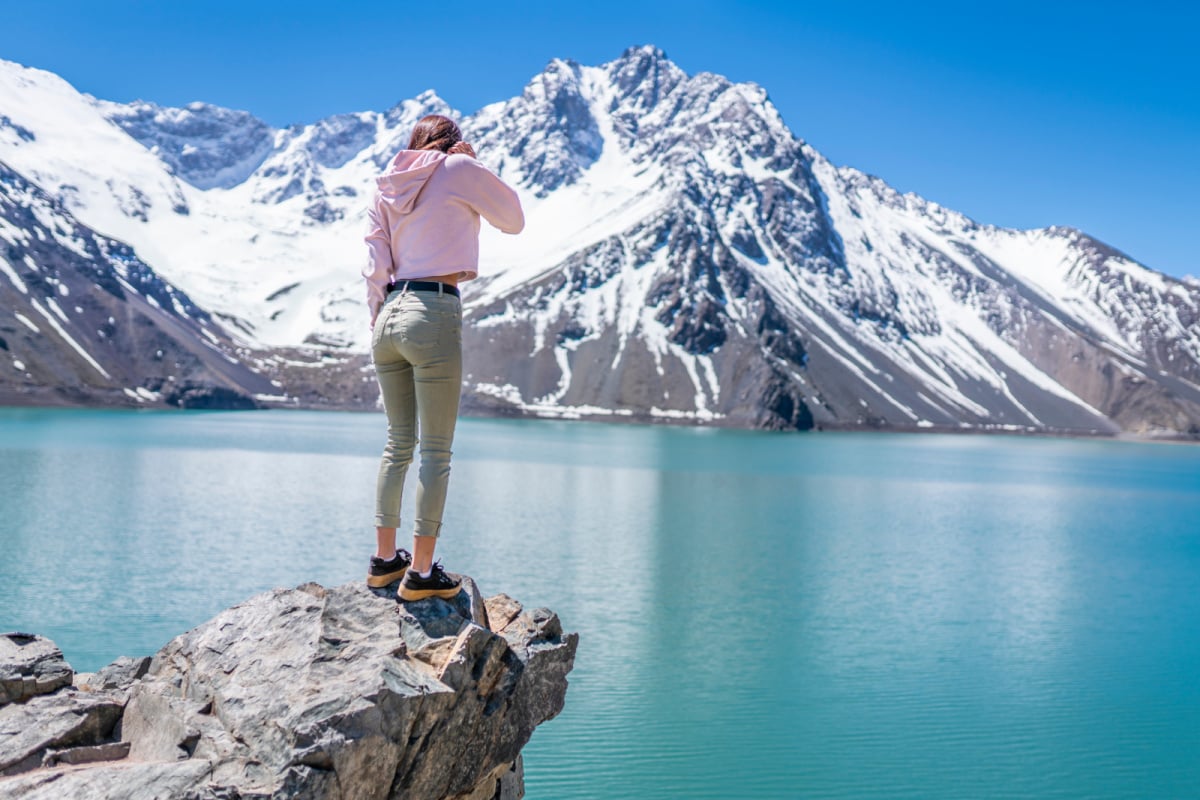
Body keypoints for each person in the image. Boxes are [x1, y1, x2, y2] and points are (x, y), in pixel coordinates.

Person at [362, 114, 524, 600]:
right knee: (435, 451)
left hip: (388, 314)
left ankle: (385, 562)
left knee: (397, 446)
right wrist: (472, 165)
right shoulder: (457, 170)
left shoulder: (385, 187)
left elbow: (374, 263)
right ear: (453, 143)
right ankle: (422, 573)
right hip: (433, 310)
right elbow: (513, 219)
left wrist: (381, 319)